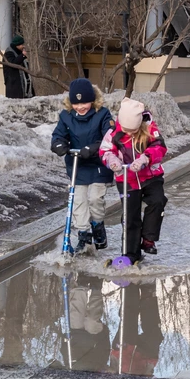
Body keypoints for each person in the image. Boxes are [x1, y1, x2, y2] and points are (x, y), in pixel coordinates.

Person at [99, 98, 168, 264]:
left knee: (158, 201)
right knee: (130, 215)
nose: (129, 133)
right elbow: (105, 151)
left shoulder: (150, 127)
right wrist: (112, 160)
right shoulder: (113, 134)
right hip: (127, 179)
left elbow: (160, 147)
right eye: (126, 130)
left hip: (151, 176)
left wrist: (146, 158)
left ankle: (148, 238)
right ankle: (131, 252)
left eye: (133, 130)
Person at [51, 78, 115, 252]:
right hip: (77, 165)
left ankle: (98, 226)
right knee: (78, 201)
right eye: (76, 103)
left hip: (98, 164)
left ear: (92, 100)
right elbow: (59, 135)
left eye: (84, 102)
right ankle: (84, 235)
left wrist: (94, 148)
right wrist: (58, 144)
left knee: (95, 198)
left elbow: (110, 137)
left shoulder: (102, 114)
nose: (81, 107)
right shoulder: (66, 116)